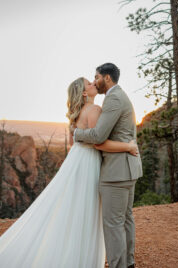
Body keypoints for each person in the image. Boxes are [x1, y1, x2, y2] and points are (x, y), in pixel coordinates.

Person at [0, 76, 138, 268]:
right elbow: (99, 142)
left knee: (75, 209)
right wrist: (127, 147)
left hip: (76, 162)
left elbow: (74, 144)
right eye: (89, 84)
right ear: (84, 93)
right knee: (87, 211)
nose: (93, 84)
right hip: (89, 163)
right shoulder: (94, 110)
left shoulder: (76, 113)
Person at [74, 63, 143, 268]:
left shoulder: (113, 98)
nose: (94, 81)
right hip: (128, 168)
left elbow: (98, 136)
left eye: (96, 77)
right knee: (126, 219)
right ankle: (128, 263)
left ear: (107, 78)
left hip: (116, 172)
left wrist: (76, 133)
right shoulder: (120, 96)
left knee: (113, 224)